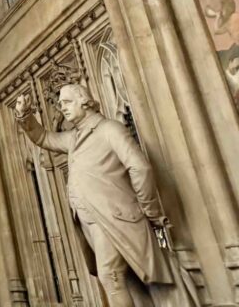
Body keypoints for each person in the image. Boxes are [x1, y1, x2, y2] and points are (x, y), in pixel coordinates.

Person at [14, 84, 174, 306]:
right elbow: (43, 138)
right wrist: (25, 115)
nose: (62, 108)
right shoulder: (74, 138)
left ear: (84, 101)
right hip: (91, 221)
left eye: (67, 102)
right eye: (60, 104)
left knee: (111, 275)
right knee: (126, 280)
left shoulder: (110, 129)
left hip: (115, 217)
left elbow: (140, 168)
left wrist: (150, 210)